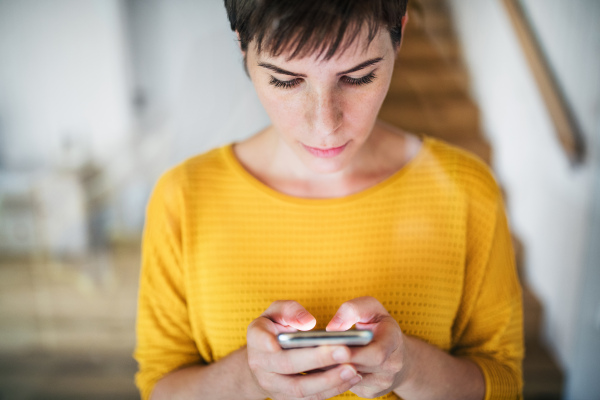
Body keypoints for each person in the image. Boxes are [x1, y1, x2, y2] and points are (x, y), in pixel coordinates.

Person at [134, 0, 524, 399]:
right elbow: (160, 388)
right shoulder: (183, 197)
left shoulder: (467, 190)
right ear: (242, 47)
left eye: (358, 77)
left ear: (400, 33)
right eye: (286, 80)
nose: (325, 126)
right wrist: (250, 377)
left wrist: (407, 369)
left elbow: (504, 385)